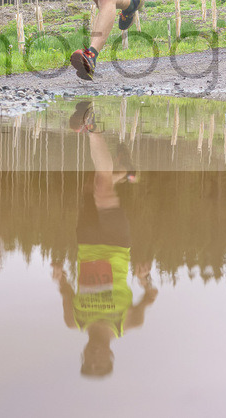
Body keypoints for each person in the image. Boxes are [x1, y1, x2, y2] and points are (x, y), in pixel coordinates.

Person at [55, 100, 157, 377]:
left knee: (94, 186)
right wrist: (144, 279)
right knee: (101, 186)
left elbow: (65, 290)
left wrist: (59, 276)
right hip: (116, 244)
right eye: (102, 361)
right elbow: (151, 296)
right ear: (110, 355)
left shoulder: (72, 320)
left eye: (90, 362)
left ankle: (125, 172)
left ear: (84, 356)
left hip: (86, 243)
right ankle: (92, 126)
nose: (96, 355)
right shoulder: (128, 323)